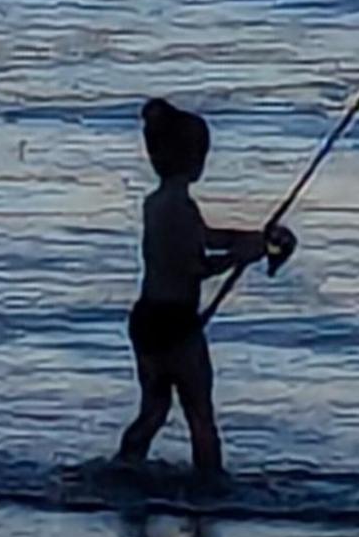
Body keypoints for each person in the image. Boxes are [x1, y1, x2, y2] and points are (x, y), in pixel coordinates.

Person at [117, 95, 292, 483]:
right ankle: (210, 485)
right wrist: (241, 258)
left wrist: (255, 240)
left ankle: (125, 467)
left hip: (148, 318)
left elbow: (208, 238)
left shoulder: (158, 204)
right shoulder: (179, 208)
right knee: (200, 414)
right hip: (176, 324)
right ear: (195, 159)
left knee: (154, 410)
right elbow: (193, 268)